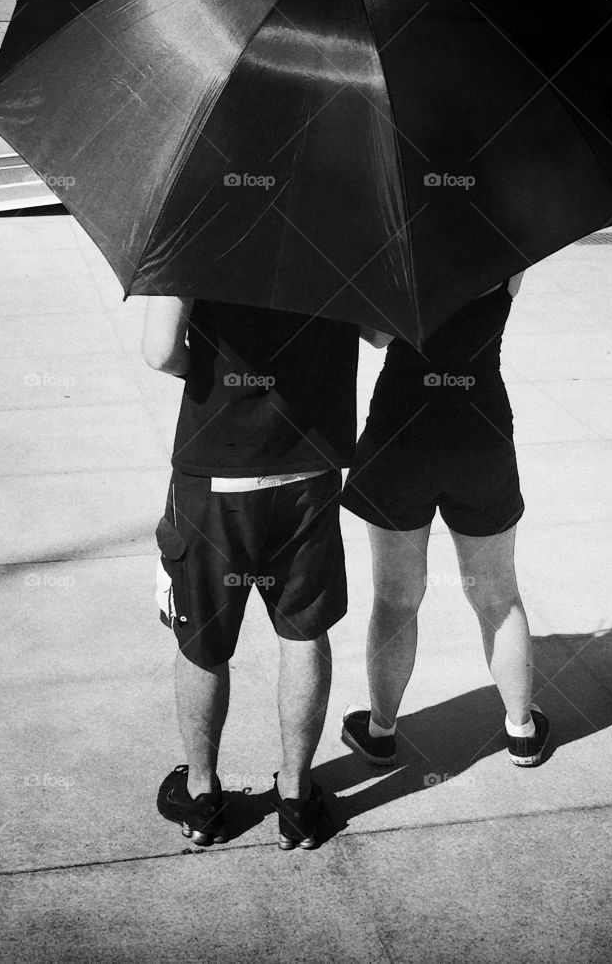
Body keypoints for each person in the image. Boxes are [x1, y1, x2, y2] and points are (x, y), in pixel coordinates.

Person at [143, 296, 358, 850]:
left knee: (203, 640)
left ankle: (202, 797)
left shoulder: (195, 221)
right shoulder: (347, 222)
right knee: (305, 631)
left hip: (217, 465)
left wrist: (213, 371)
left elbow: (161, 351)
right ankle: (296, 798)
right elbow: (382, 334)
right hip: (309, 460)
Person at [339, 273, 550, 769]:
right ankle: (521, 730)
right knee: (498, 593)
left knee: (395, 598)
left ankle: (380, 730)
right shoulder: (503, 244)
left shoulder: (398, 254)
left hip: (402, 427)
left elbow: (376, 335)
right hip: (480, 428)